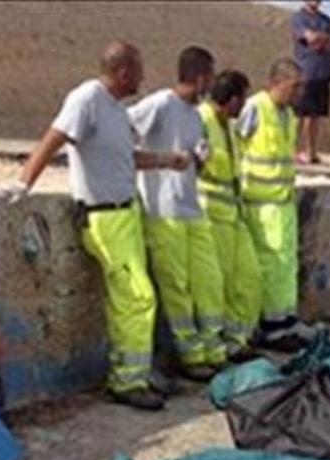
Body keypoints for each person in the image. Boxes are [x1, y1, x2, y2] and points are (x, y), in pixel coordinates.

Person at [7, 40, 190, 411]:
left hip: (126, 214)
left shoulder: (116, 111)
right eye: (138, 70)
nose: (142, 77)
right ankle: (127, 381)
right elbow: (53, 138)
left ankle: (138, 372)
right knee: (137, 297)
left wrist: (165, 161)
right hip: (105, 218)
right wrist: (23, 184)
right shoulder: (88, 98)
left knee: (130, 297)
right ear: (124, 72)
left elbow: (125, 157)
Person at [128, 46, 227, 382]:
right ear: (199, 77)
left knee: (208, 278)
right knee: (177, 286)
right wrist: (160, 160)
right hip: (164, 210)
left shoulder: (195, 114)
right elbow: (123, 135)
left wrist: (200, 157)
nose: (212, 85)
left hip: (190, 206)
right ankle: (190, 354)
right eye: (210, 78)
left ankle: (212, 347)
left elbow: (197, 151)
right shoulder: (159, 104)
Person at [237, 58, 316, 352]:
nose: (298, 93)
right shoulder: (255, 108)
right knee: (269, 264)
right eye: (294, 87)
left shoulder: (288, 115)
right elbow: (236, 146)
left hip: (281, 200)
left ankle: (285, 319)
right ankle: (271, 325)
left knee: (285, 263)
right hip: (260, 202)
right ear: (277, 82)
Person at [198, 70, 262, 360]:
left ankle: (238, 338)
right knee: (216, 287)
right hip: (211, 216)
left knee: (249, 279)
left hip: (233, 216)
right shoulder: (201, 121)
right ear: (233, 99)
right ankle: (219, 344)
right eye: (243, 98)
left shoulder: (229, 127)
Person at [291, 0, 330, 165]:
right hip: (307, 72)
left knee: (315, 116)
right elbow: (308, 38)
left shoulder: (326, 20)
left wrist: (321, 39)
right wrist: (324, 39)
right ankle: (293, 151)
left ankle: (311, 152)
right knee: (300, 115)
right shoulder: (299, 18)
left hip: (323, 72)